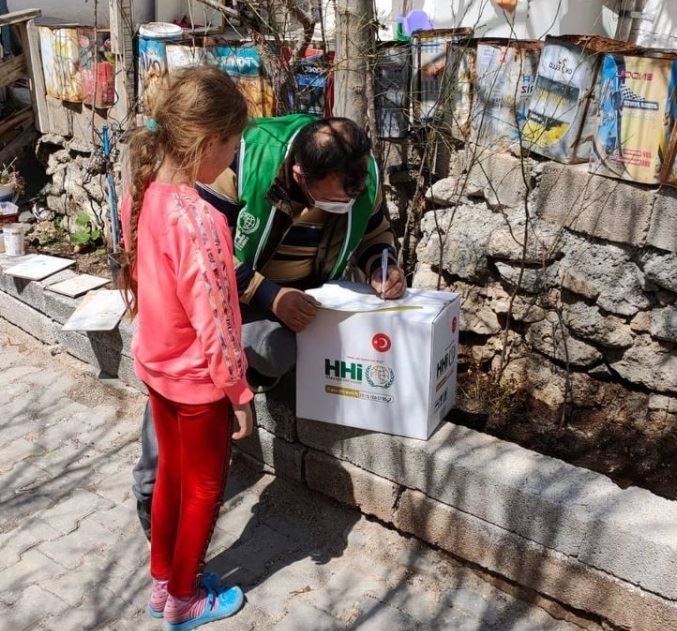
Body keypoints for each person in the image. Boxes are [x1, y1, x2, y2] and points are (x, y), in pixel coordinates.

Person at [132, 113, 406, 538]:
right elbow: (205, 253)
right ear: (300, 174)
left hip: (302, 303)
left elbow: (375, 231)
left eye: (350, 198)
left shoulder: (358, 170)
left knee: (275, 350)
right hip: (228, 300)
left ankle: (229, 393)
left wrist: (380, 265)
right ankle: (153, 490)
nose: (343, 207)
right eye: (331, 200)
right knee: (196, 373)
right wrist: (269, 296)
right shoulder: (245, 160)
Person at [120, 65, 254, 629]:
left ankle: (162, 583)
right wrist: (240, 393)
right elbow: (219, 320)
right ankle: (184, 597)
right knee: (202, 488)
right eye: (233, 146)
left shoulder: (143, 194)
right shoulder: (199, 221)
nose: (233, 158)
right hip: (199, 383)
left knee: (172, 478)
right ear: (208, 142)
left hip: (156, 367)